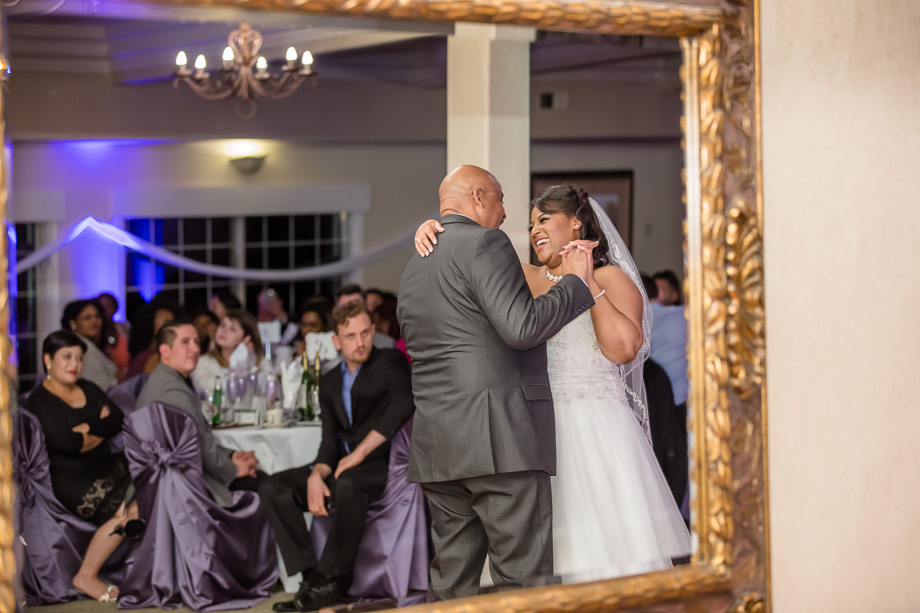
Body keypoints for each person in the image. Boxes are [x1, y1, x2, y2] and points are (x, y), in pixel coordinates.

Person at [414, 183, 692, 581]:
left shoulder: (609, 277)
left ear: (576, 224)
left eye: (544, 219)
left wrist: (587, 284)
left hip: (596, 431)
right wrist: (433, 232)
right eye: (530, 224)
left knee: (609, 559)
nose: (533, 231)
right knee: (538, 560)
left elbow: (624, 349)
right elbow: (468, 268)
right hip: (530, 435)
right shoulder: (523, 275)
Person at [398, 165, 594, 600]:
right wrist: (576, 284)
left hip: (438, 445)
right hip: (498, 440)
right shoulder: (486, 242)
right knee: (524, 582)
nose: (506, 213)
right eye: (502, 199)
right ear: (481, 197)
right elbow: (521, 328)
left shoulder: (415, 263)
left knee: (452, 584)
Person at [262, 302, 415, 612]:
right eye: (350, 336)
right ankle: (313, 579)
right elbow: (329, 440)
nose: (359, 343)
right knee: (273, 487)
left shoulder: (389, 361)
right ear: (336, 340)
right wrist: (317, 475)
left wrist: (357, 454)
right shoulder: (329, 382)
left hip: (379, 464)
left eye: (364, 333)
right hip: (341, 467)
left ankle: (333, 579)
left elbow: (403, 403)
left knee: (346, 483)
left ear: (373, 331)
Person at [24, 330, 142, 602]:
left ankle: (136, 532)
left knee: (151, 479)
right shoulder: (39, 401)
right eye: (67, 357)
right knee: (129, 504)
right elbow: (68, 444)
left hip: (107, 464)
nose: (75, 364)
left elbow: (116, 421)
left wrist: (88, 428)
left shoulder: (87, 387)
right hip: (73, 480)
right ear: (48, 360)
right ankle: (86, 577)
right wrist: (95, 430)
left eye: (79, 357)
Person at [135, 320, 263, 506]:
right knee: (267, 487)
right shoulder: (171, 390)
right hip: (179, 485)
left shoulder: (170, 380)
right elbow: (198, 446)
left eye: (196, 341)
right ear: (165, 350)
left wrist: (232, 454)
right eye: (185, 342)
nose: (195, 349)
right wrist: (234, 469)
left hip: (179, 474)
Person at [191, 310, 262, 393]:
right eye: (222, 325)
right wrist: (236, 366)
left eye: (232, 329)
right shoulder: (202, 362)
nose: (224, 331)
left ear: (247, 338)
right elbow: (208, 387)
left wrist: (248, 361)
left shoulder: (258, 364)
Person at [61, 299, 119, 390]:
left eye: (98, 316)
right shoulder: (76, 347)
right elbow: (96, 384)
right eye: (87, 318)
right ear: (73, 323)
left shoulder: (93, 344)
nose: (95, 321)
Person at [126, 299, 177, 378]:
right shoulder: (151, 358)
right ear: (150, 325)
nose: (171, 328)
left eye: (173, 323)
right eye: (166, 323)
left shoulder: (150, 356)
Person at [335, 285, 395, 350]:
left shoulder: (386, 344)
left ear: (366, 307)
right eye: (345, 308)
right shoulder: (327, 345)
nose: (351, 312)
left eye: (356, 306)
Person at [96, 292, 131, 375]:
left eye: (108, 306)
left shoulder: (124, 328)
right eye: (101, 307)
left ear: (115, 308)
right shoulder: (93, 332)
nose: (105, 310)